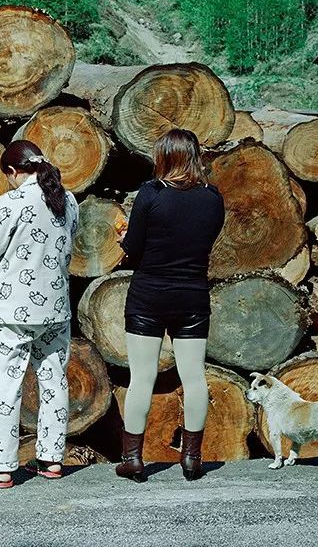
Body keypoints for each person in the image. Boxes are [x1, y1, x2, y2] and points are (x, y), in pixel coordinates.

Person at [116, 128, 225, 483]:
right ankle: (192, 459)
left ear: (164, 156)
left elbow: (132, 246)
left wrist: (125, 239)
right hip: (192, 295)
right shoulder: (213, 198)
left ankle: (133, 459)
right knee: (194, 378)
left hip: (149, 294)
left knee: (142, 378)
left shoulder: (151, 194)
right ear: (195, 156)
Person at [0, 140, 80, 489]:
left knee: (6, 383)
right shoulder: (69, 199)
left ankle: (2, 467)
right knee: (53, 380)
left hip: (11, 310)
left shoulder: (12, 200)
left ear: (13, 171)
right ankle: (51, 459)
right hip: (55, 307)